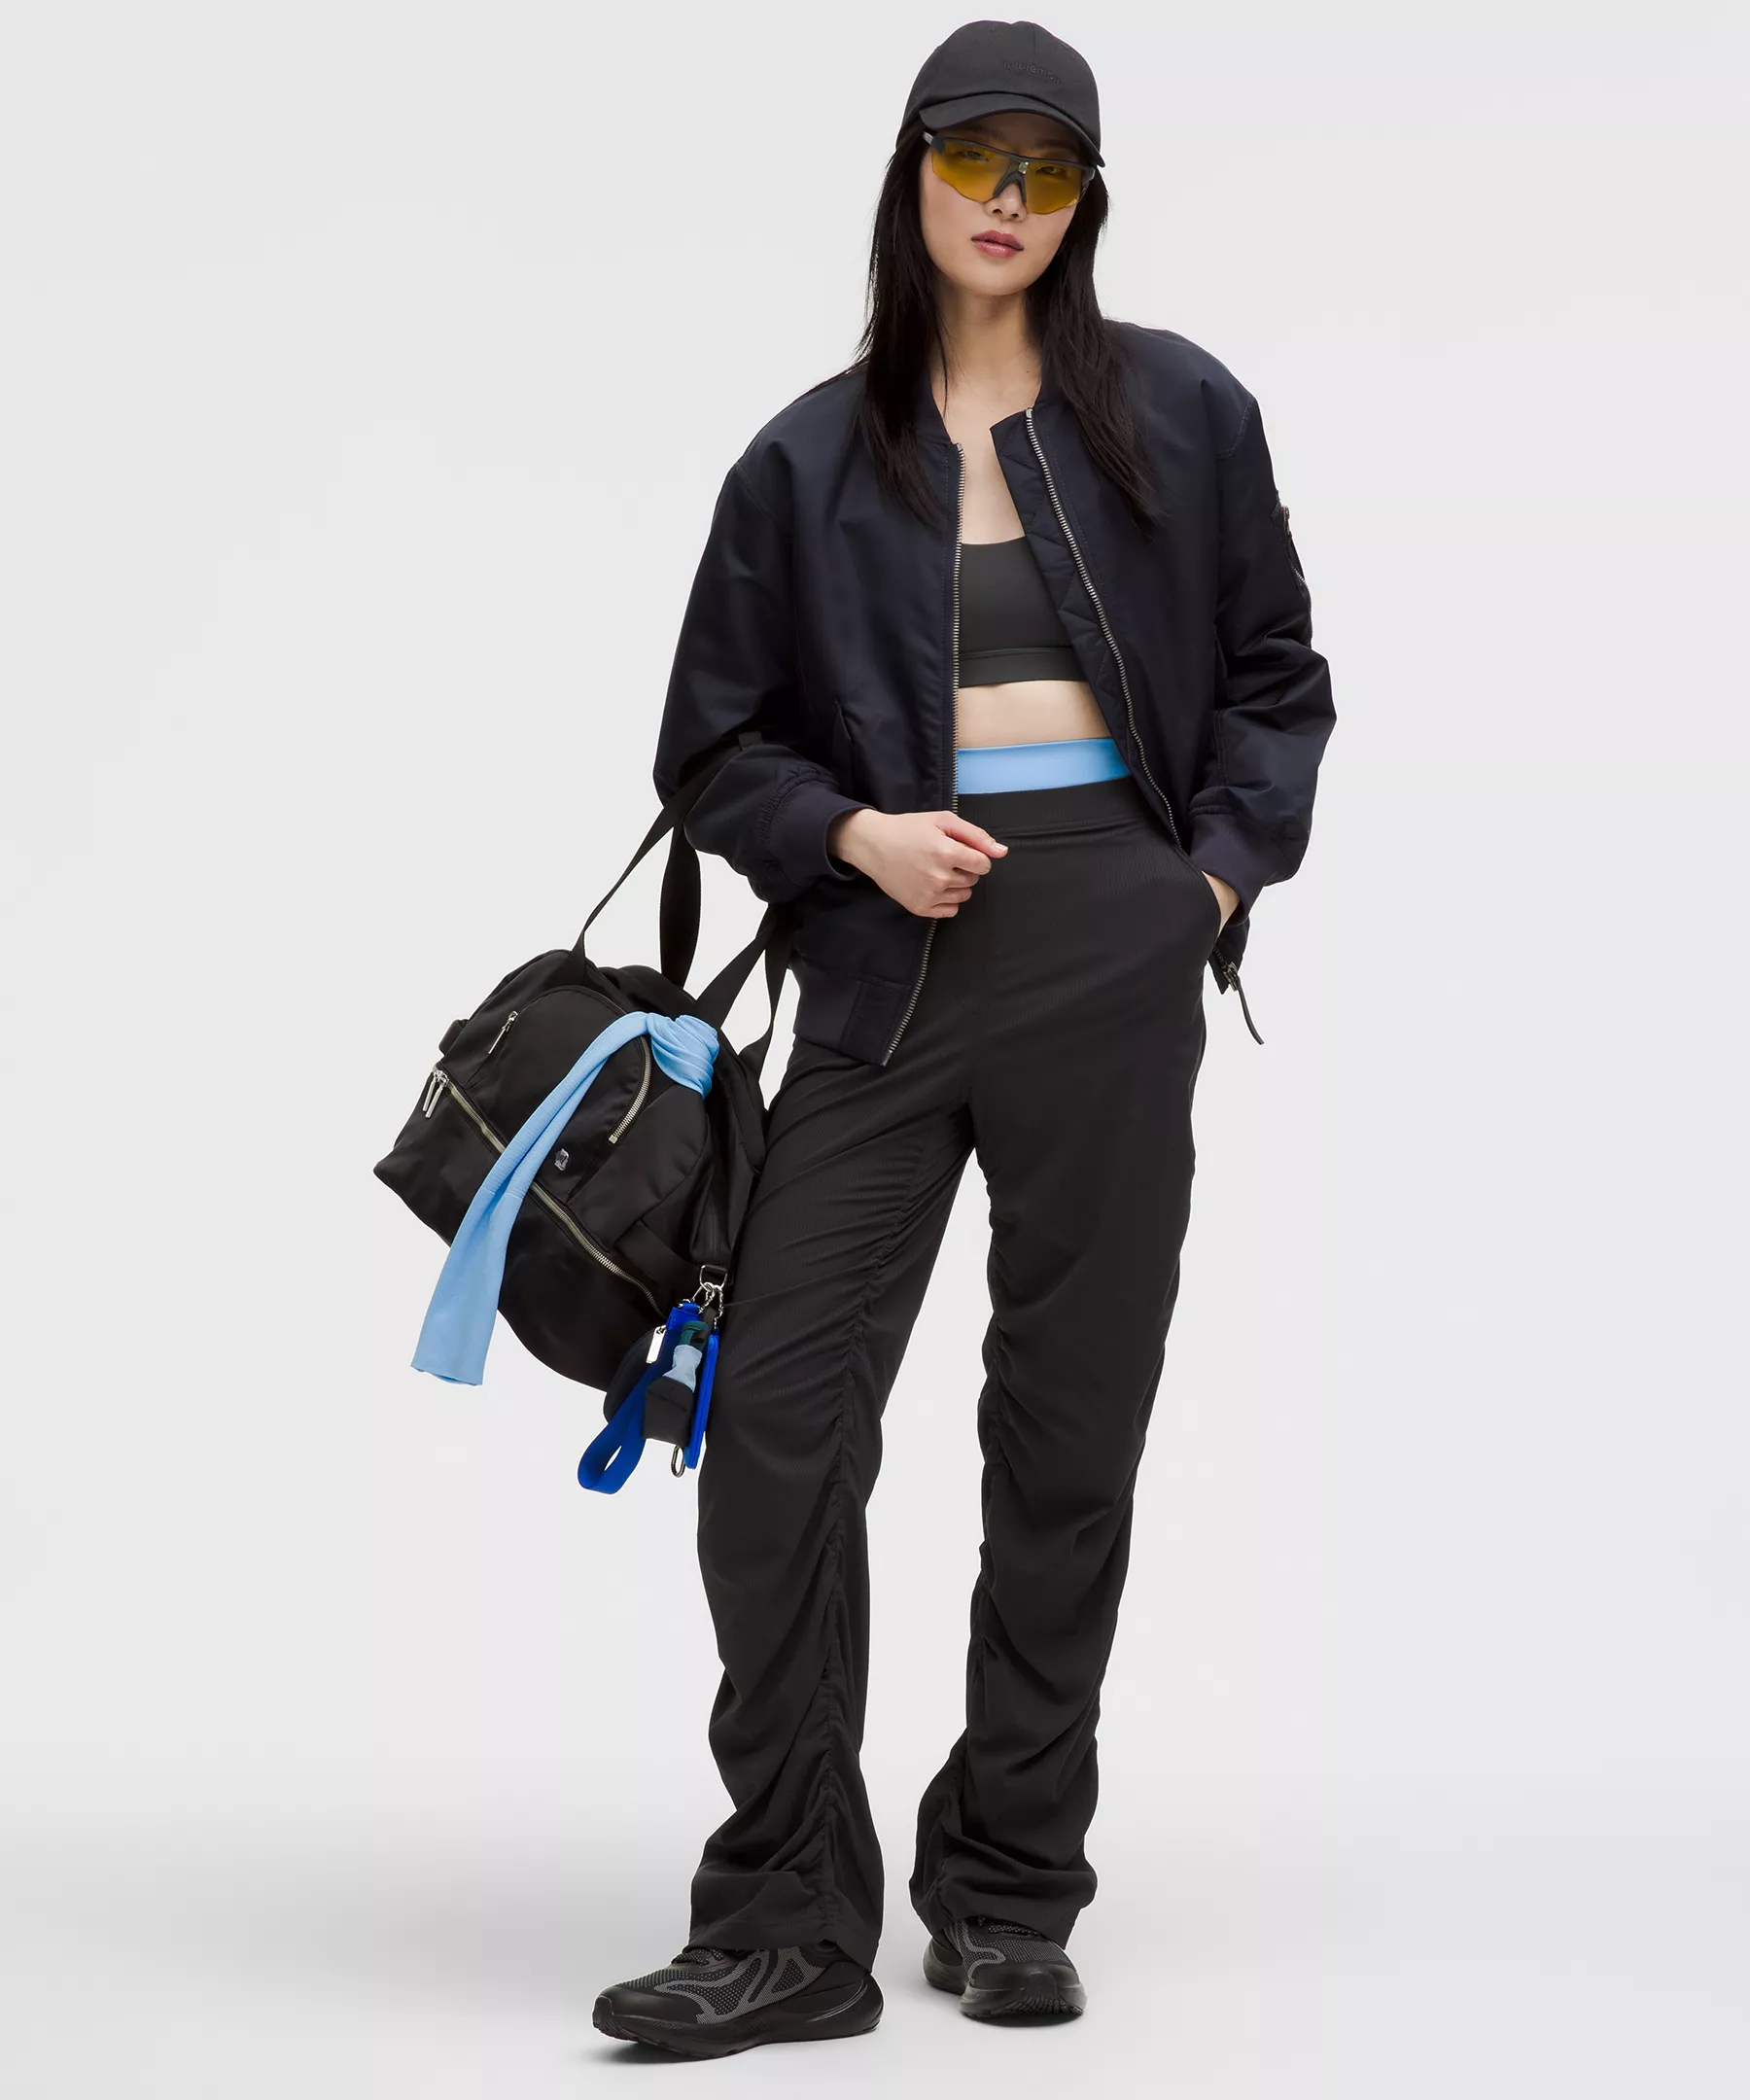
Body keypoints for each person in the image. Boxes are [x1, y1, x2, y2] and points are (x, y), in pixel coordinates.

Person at [593, 18, 1336, 2058]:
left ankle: (1009, 1884)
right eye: (972, 159)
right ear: (910, 173)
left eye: (1048, 170)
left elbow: (1278, 682)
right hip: (883, 962)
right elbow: (711, 746)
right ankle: (786, 1918)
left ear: (1086, 204)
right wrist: (850, 834)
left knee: (1067, 1437)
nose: (1007, 202)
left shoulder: (1183, 413)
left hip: (1110, 942)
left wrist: (1203, 888)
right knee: (774, 1435)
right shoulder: (807, 459)